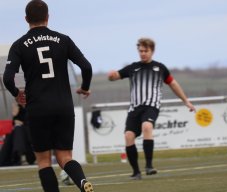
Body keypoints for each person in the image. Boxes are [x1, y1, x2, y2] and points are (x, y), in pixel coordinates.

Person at [3, 0, 94, 192]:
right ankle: (83, 182)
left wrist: (17, 94)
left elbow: (7, 78)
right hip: (63, 106)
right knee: (65, 157)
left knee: (44, 161)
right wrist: (85, 87)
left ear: (26, 19)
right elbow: (86, 67)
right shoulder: (63, 40)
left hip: (38, 108)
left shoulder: (19, 45)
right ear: (48, 17)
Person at [108, 38, 196, 180]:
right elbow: (115, 76)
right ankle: (136, 172)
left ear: (152, 51)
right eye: (140, 51)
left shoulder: (160, 68)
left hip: (151, 106)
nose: (142, 53)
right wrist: (111, 76)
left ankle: (149, 166)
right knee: (128, 136)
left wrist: (186, 101)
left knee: (147, 126)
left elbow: (173, 84)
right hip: (134, 108)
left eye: (145, 51)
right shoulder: (133, 68)